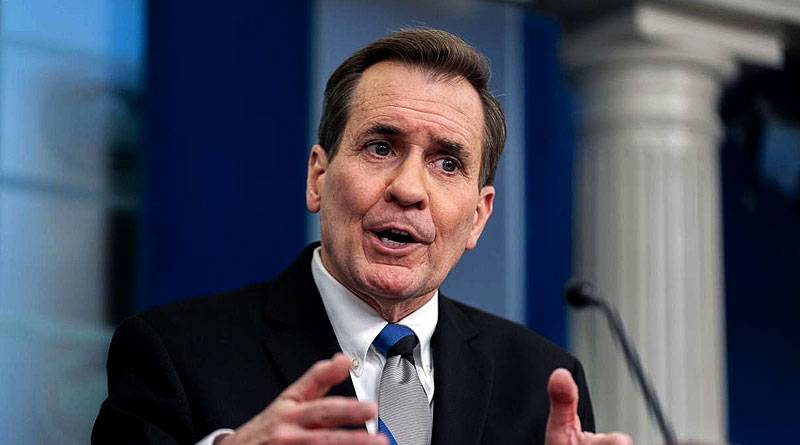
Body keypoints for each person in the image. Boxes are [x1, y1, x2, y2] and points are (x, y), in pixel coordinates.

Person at [93, 28, 632, 445]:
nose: (408, 189)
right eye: (381, 147)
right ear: (318, 178)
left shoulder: (541, 382)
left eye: (447, 163)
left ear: (478, 216)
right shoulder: (175, 352)